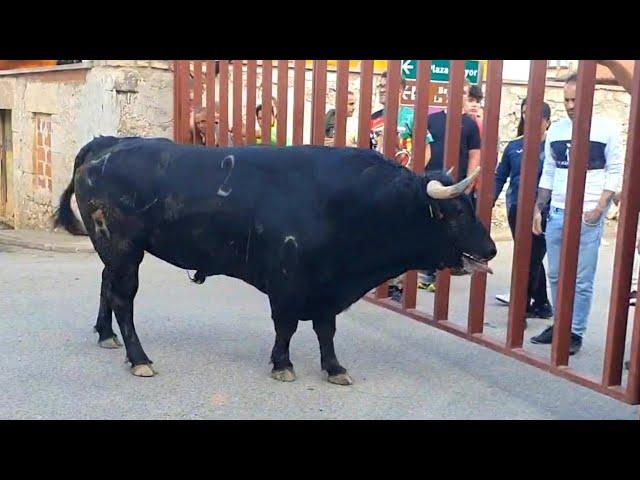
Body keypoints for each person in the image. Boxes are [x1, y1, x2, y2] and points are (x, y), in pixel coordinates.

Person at [530, 73, 623, 355]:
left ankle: (575, 331)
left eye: (575, 99)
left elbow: (615, 170)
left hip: (588, 213)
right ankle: (560, 324)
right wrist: (538, 207)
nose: (571, 105)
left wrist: (599, 207)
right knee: (556, 274)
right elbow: (549, 170)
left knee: (582, 278)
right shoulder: (557, 131)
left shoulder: (606, 130)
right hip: (558, 211)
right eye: (567, 100)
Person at [493, 99, 554, 322]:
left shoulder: (552, 147)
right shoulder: (513, 146)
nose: (529, 117)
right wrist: (489, 199)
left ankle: (522, 307)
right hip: (516, 209)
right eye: (525, 113)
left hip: (542, 212)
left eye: (536, 114)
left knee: (531, 259)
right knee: (527, 257)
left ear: (547, 121)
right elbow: (500, 176)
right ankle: (542, 303)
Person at [418, 79, 482, 290]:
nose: (460, 96)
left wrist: (470, 182)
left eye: (464, 93)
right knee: (429, 225)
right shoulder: (432, 119)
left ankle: (454, 264)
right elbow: (422, 147)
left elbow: (475, 155)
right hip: (432, 183)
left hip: (456, 186)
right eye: (457, 91)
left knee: (453, 227)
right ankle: (428, 269)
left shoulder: (470, 124)